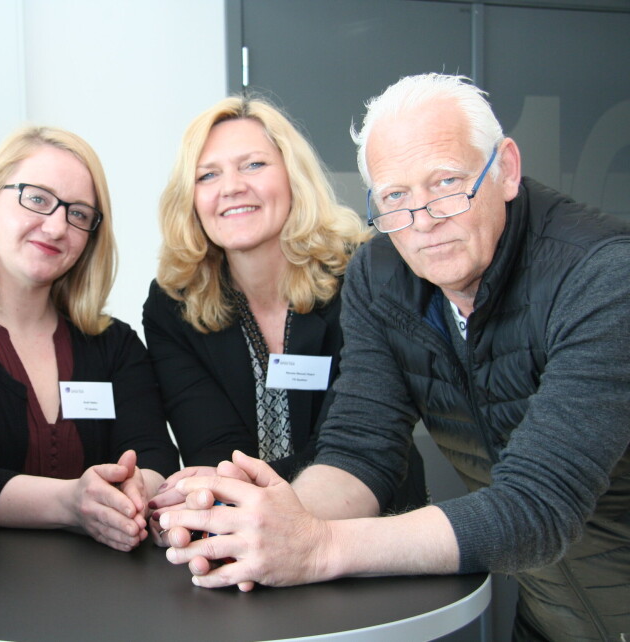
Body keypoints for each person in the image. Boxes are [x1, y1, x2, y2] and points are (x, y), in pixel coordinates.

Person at [160, 74, 630, 641]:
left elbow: (538, 507)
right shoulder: (380, 275)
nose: (424, 220)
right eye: (395, 197)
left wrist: (319, 546)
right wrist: (281, 520)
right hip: (553, 615)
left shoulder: (604, 276)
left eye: (447, 183)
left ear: (505, 168)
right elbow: (361, 448)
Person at [0, 126, 179, 553]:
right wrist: (71, 503)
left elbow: (154, 454)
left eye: (78, 214)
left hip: (99, 597)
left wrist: (137, 490)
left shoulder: (116, 345)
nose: (58, 226)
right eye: (38, 199)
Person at [143, 96, 426, 518]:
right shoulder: (175, 303)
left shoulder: (364, 276)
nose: (232, 186)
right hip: (241, 532)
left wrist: (223, 490)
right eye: (207, 175)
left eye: (253, 165)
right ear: (191, 198)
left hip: (371, 524)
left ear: (293, 176)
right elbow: (214, 449)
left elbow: (349, 445)